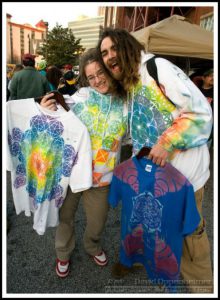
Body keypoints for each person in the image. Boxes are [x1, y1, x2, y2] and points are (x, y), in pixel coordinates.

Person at [97, 28, 213, 293]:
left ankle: (203, 288)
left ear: (129, 48)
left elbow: (201, 114)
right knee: (150, 223)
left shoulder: (157, 68)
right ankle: (143, 262)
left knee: (190, 236)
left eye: (114, 48)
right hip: (151, 176)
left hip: (185, 177)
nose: (109, 56)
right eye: (104, 53)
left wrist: (166, 142)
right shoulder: (129, 85)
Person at [40, 48, 128, 278]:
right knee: (65, 217)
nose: (97, 80)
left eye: (101, 72)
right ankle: (63, 252)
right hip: (72, 174)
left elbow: (133, 136)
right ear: (85, 80)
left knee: (98, 221)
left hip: (102, 177)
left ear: (109, 69)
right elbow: (55, 111)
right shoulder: (81, 98)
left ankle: (92, 245)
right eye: (91, 76)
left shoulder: (126, 103)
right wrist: (45, 109)